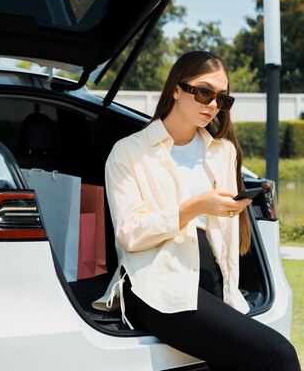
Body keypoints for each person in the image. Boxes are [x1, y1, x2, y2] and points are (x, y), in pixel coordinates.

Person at [93, 51, 300, 371]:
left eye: (222, 98)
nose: (213, 105)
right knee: (280, 356)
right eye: (203, 92)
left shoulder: (224, 151)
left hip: (215, 279)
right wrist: (195, 207)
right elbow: (130, 233)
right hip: (154, 284)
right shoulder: (130, 152)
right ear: (176, 88)